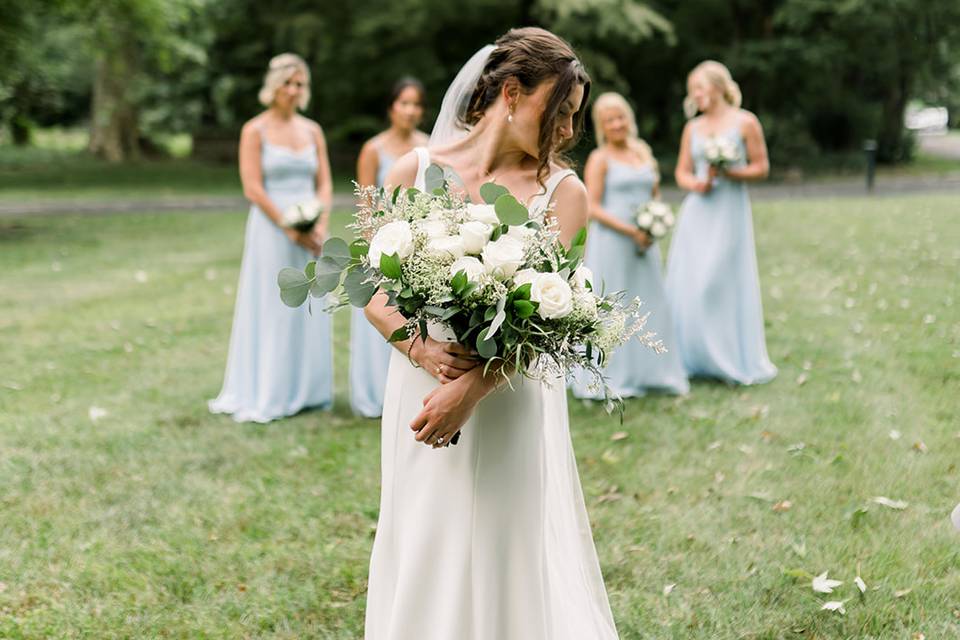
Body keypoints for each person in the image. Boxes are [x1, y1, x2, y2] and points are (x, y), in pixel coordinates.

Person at [362, 28, 620, 639]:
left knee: (508, 538)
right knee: (426, 532)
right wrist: (424, 352)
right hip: (420, 385)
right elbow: (372, 295)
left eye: (573, 118)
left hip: (509, 395)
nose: (565, 131)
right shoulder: (415, 170)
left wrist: (471, 390)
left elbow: (553, 325)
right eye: (558, 112)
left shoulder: (566, 194)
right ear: (511, 92)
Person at [209, 53, 334, 422]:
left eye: (300, 84)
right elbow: (252, 187)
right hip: (271, 229)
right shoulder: (255, 130)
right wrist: (288, 227)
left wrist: (320, 222)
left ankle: (308, 389)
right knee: (273, 305)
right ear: (273, 86)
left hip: (311, 230)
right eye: (288, 83)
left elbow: (324, 182)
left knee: (309, 303)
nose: (294, 90)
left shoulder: (312, 130)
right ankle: (267, 388)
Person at [665, 60, 777, 385]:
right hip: (698, 211)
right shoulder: (693, 128)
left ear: (717, 86)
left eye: (699, 88)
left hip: (730, 211)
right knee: (692, 283)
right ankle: (693, 358)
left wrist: (731, 171)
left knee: (719, 282)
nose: (695, 95)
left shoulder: (745, 122)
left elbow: (762, 167)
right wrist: (695, 183)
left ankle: (727, 358)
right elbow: (681, 172)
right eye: (692, 91)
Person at [570, 92, 688, 399]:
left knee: (649, 303)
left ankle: (652, 372)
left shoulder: (642, 152)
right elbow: (592, 207)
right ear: (601, 126)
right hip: (613, 242)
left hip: (644, 243)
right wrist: (630, 231)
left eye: (620, 116)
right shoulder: (600, 159)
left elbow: (655, 194)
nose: (616, 124)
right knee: (614, 307)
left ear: (629, 119)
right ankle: (609, 376)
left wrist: (654, 222)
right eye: (609, 120)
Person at [350, 78, 429, 418]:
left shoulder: (429, 148)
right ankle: (375, 394)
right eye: (404, 103)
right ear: (391, 107)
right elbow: (366, 206)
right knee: (381, 313)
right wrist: (378, 250)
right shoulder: (373, 149)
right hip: (382, 247)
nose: (410, 111)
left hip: (423, 248)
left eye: (416, 104)